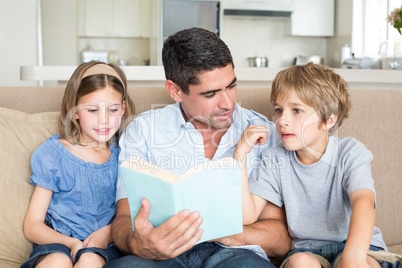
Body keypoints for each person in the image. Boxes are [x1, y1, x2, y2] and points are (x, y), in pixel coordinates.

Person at [106, 27, 291, 267]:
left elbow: (280, 238)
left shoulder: (264, 133)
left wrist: (214, 230)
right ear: (175, 91)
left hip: (234, 253)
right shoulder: (143, 131)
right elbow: (122, 219)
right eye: (210, 93)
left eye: (231, 86)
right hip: (162, 256)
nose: (228, 103)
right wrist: (138, 243)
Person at [234, 62, 388, 268]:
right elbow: (247, 215)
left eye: (296, 110)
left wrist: (354, 255)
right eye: (279, 111)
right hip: (307, 251)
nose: (282, 120)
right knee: (300, 262)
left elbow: (364, 203)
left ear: (328, 120)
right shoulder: (274, 159)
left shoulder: (349, 152)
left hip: (357, 246)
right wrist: (240, 156)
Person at [21, 61, 135, 268]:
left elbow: (133, 212)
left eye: (113, 109)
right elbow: (32, 225)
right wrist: (72, 244)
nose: (104, 120)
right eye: (92, 110)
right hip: (58, 243)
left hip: (104, 247)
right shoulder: (54, 155)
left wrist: (108, 233)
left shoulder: (125, 155)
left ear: (123, 108)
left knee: (89, 260)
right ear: (75, 111)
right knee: (58, 260)